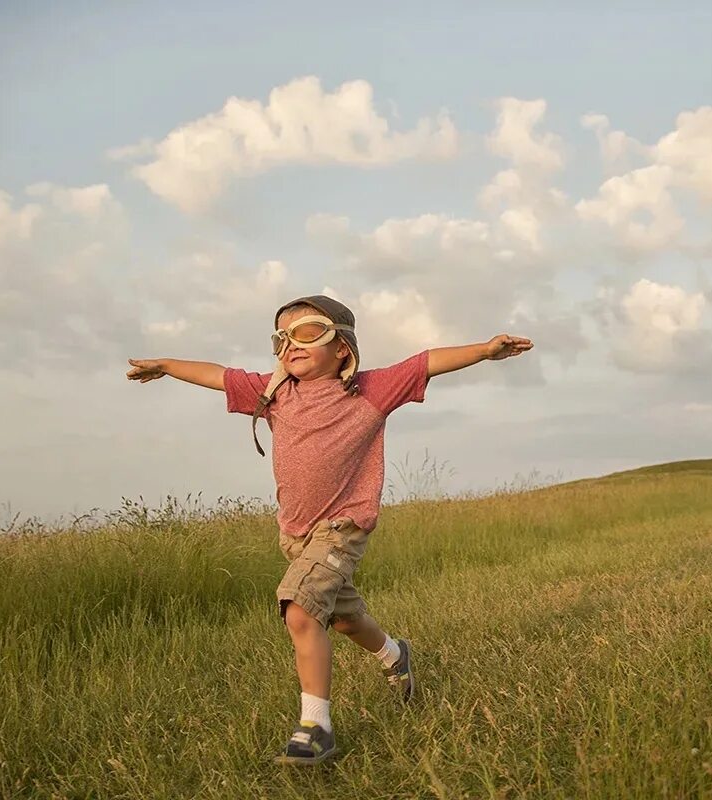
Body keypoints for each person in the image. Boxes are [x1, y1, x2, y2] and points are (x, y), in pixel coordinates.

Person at [126, 294, 533, 765]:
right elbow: (216, 374)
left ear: (342, 346)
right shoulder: (272, 392)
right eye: (281, 337)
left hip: (343, 526)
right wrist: (167, 365)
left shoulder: (369, 389)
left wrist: (484, 350)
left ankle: (315, 729)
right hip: (295, 533)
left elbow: (426, 362)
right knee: (340, 618)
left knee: (300, 609)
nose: (290, 344)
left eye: (306, 332)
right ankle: (394, 655)